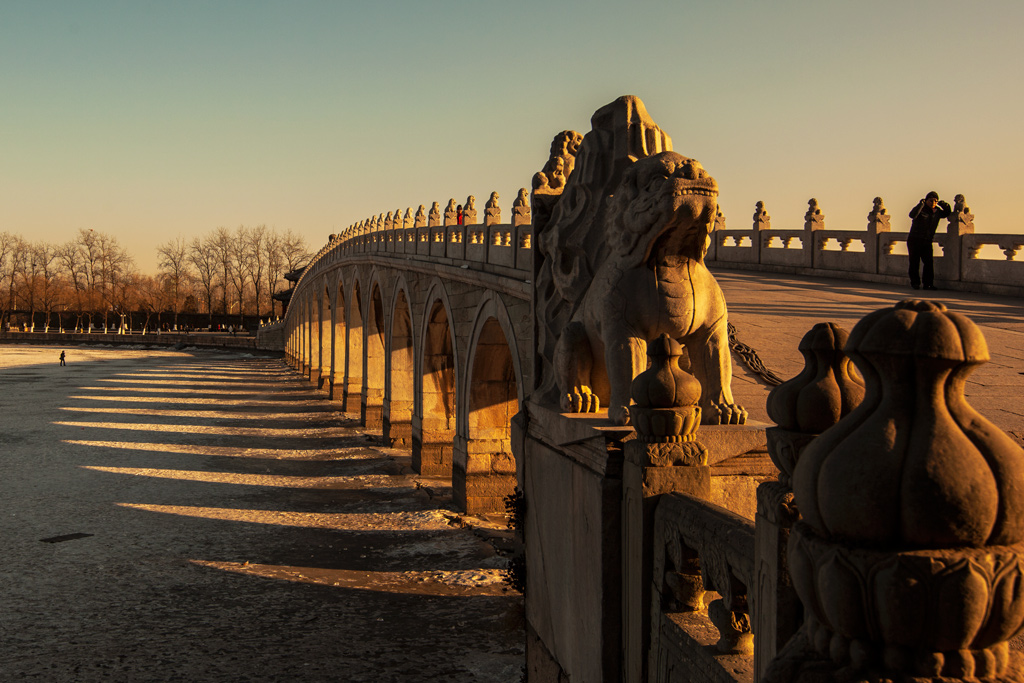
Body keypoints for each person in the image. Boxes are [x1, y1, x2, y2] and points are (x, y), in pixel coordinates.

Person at [907, 191, 951, 290]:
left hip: (927, 241)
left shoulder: (937, 212)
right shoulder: (921, 209)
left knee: (929, 263)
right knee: (914, 262)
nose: (933, 203)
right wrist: (920, 205)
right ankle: (915, 283)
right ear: (926, 200)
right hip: (914, 239)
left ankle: (928, 284)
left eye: (935, 201)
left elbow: (947, 212)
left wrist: (943, 204)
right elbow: (912, 215)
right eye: (931, 200)